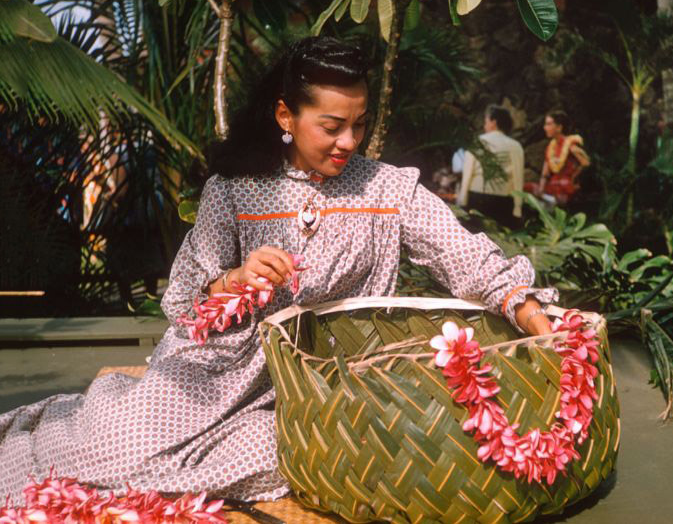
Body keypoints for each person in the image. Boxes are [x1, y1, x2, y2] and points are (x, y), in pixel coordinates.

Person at [0, 37, 558, 505]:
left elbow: (462, 255)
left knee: (303, 460)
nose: (349, 142)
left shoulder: (389, 191)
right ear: (286, 116)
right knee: (117, 449)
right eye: (333, 125)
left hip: (315, 384)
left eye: (359, 125)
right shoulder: (235, 191)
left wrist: (526, 308)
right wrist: (233, 280)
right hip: (213, 368)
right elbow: (182, 302)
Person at [456, 105, 525, 228]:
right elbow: (518, 179)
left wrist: (462, 201)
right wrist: (517, 207)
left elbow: (467, 175)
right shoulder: (515, 146)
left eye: (486, 121)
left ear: (493, 122)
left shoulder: (478, 142)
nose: (484, 125)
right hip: (503, 201)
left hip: (476, 198)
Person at [534, 110, 590, 206]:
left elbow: (586, 163)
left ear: (559, 127)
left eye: (548, 124)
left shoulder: (570, 143)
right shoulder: (550, 147)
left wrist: (574, 177)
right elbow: (545, 173)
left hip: (566, 187)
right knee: (530, 191)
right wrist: (541, 189)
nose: (545, 128)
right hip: (552, 186)